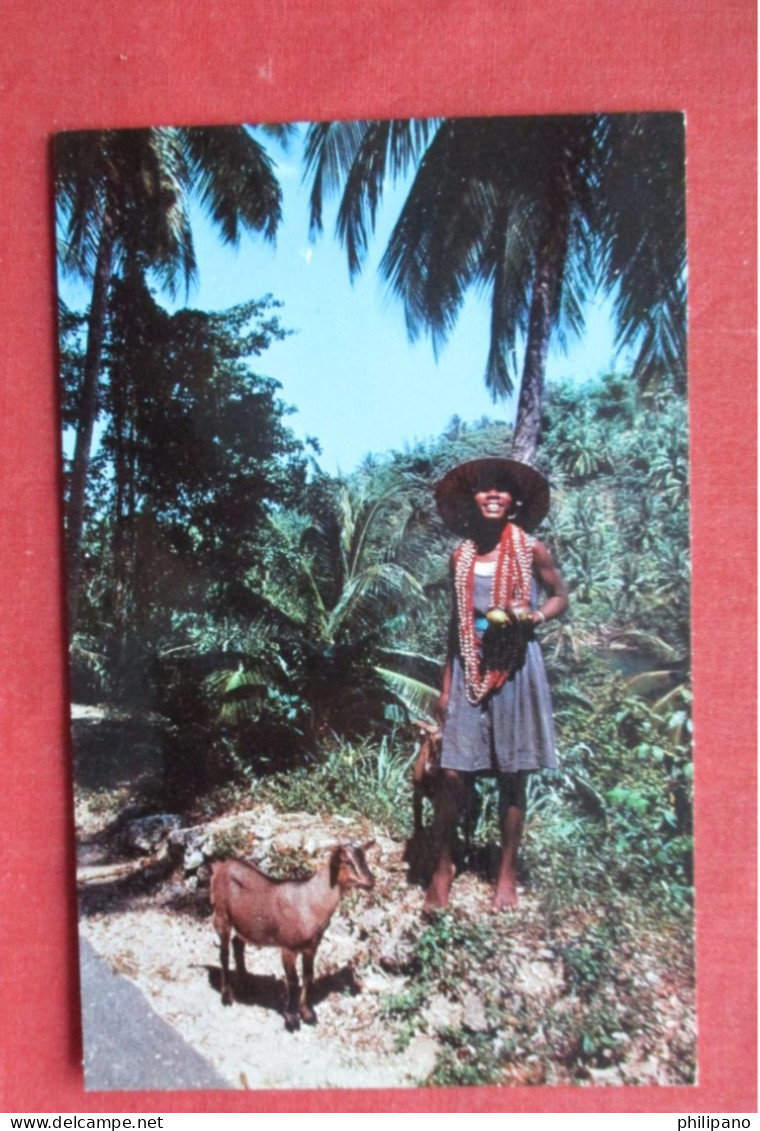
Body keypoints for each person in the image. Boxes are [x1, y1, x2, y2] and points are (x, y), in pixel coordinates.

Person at [425, 456, 568, 914]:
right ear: (472, 498)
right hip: (469, 666)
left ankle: (505, 875)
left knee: (513, 773)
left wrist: (536, 616)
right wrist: (446, 689)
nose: (492, 495)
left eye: (501, 490)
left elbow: (560, 596)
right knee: (452, 773)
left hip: (519, 668)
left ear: (514, 502)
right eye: (484, 488)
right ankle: (442, 868)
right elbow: (456, 624)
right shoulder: (460, 557)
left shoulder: (531, 549)